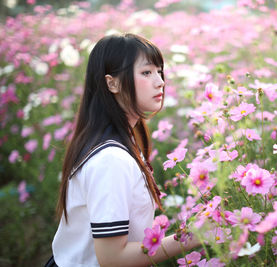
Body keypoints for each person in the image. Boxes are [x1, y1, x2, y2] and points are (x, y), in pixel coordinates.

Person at [47, 33, 199, 267]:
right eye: (146, 72)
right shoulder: (110, 159)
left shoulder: (116, 142)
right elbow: (112, 258)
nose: (160, 81)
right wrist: (193, 236)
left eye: (159, 71)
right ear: (112, 83)